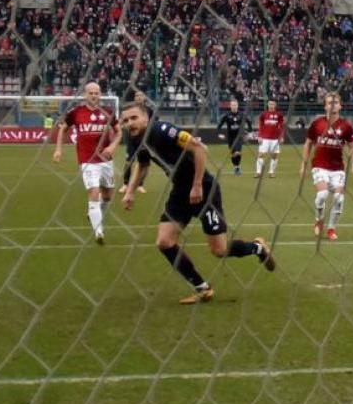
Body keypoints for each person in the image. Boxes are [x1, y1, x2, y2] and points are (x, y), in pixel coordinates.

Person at [114, 102, 274, 305]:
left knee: (219, 250)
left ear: (146, 118)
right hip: (180, 192)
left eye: (134, 118)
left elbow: (199, 148)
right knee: (164, 242)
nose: (129, 123)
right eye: (126, 120)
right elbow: (143, 164)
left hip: (204, 190)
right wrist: (129, 191)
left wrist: (197, 185)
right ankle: (202, 288)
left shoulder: (164, 130)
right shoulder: (137, 139)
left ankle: (258, 248)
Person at [52, 82, 120, 244]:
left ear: (100, 94)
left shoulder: (108, 112)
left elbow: (119, 132)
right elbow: (62, 128)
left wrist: (112, 146)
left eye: (96, 93)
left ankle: (94, 215)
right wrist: (58, 149)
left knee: (108, 195)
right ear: (84, 95)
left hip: (105, 160)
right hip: (87, 161)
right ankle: (99, 231)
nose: (94, 95)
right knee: (94, 192)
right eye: (91, 93)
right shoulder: (76, 113)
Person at [302, 92, 353, 240]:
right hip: (319, 165)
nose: (333, 104)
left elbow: (352, 146)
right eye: (329, 102)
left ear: (340, 106)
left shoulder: (346, 126)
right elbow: (307, 144)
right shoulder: (317, 124)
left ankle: (331, 229)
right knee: (322, 194)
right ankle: (319, 220)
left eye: (336, 102)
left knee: (339, 198)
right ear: (325, 106)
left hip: (337, 168)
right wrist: (304, 164)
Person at [255, 99, 287, 177]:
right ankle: (258, 172)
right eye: (270, 104)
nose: (271, 106)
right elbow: (260, 126)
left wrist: (281, 136)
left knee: (274, 155)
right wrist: (259, 136)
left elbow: (282, 127)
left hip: (275, 139)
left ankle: (271, 172)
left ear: (275, 105)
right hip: (265, 138)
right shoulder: (263, 114)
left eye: (273, 104)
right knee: (261, 154)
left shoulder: (279, 115)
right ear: (268, 105)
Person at [217, 98, 248, 176]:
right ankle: (236, 167)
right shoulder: (227, 115)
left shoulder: (242, 115)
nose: (234, 106)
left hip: (239, 136)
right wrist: (219, 133)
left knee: (238, 152)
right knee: (234, 153)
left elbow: (249, 122)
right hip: (230, 137)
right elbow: (219, 126)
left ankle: (237, 167)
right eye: (232, 105)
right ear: (230, 106)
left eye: (235, 105)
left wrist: (249, 132)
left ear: (237, 106)